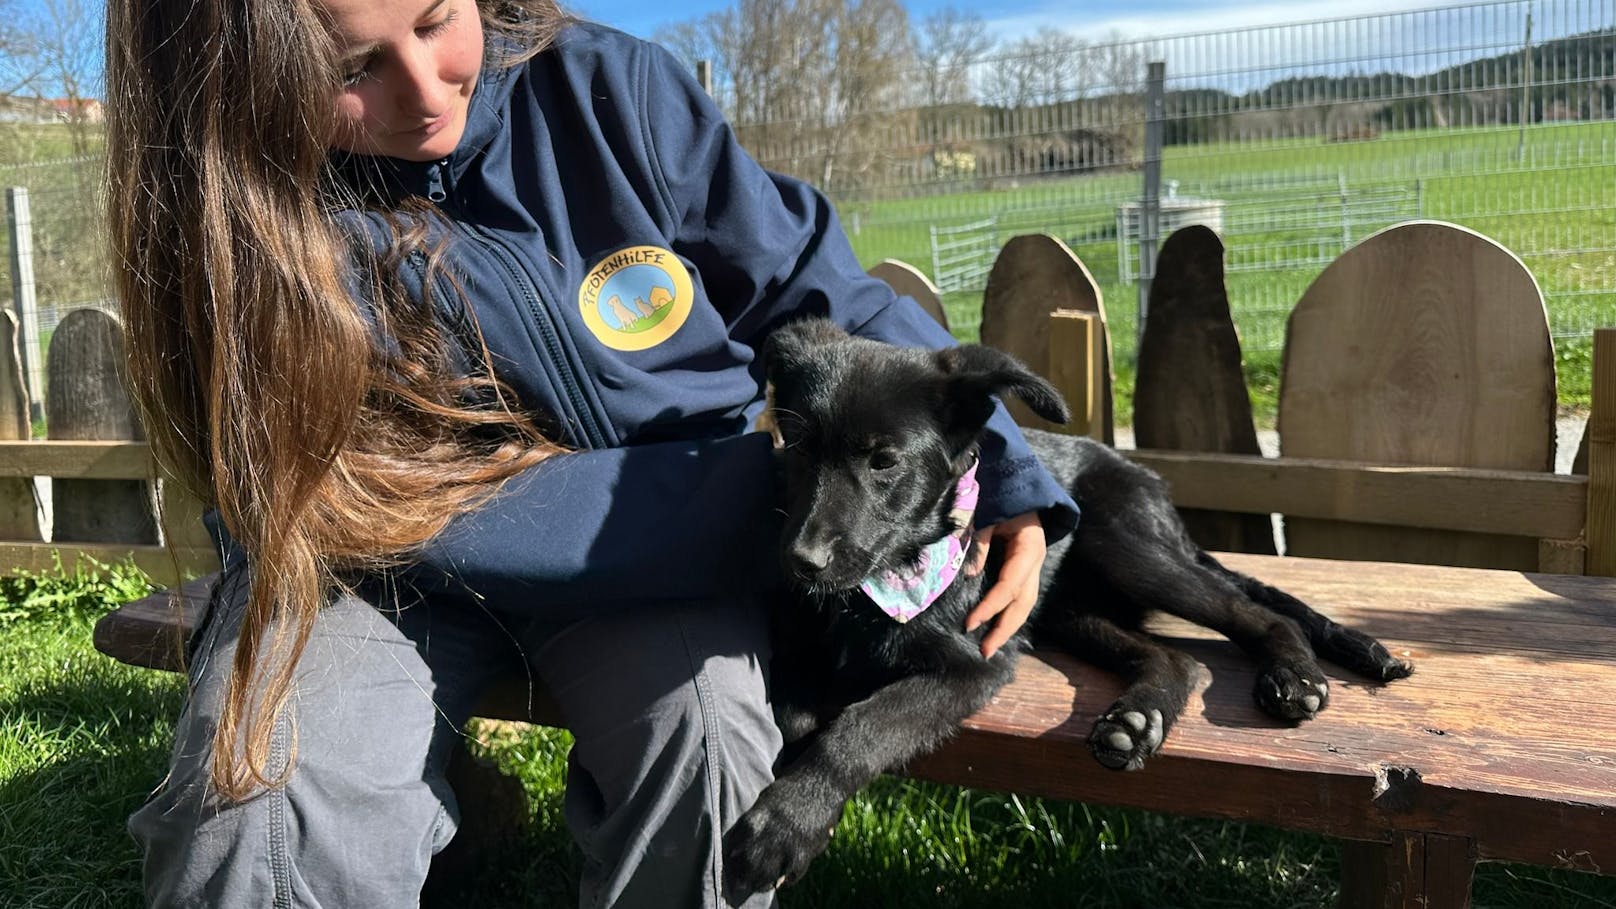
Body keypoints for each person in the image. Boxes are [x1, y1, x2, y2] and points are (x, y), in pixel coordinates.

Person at [105, 0, 1080, 905]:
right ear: (234, 77)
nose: (424, 86)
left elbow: (809, 286)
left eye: (438, 19)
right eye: (349, 67)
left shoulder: (606, 90)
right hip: (367, 568)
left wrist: (991, 467)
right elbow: (345, 507)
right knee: (261, 806)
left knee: (706, 757)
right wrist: (736, 503)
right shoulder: (238, 218)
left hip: (651, 548)